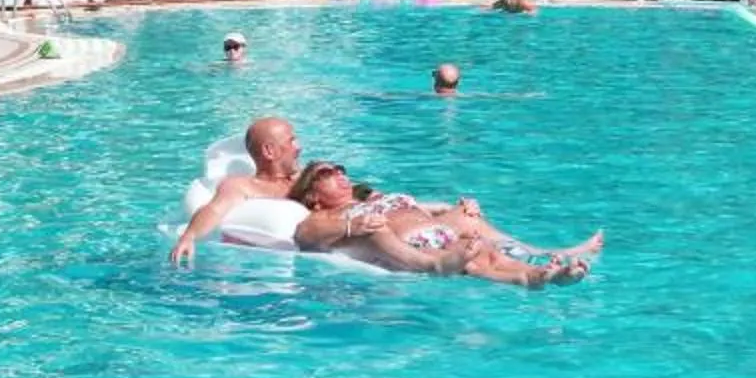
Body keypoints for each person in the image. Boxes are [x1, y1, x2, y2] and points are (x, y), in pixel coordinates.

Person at [288, 160, 596, 286]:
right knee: (471, 259)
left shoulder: (370, 198)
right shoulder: (324, 216)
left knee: (480, 247)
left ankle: (539, 269)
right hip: (412, 248)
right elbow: (305, 236)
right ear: (313, 195)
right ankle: (433, 266)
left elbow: (419, 207)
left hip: (438, 233)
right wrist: (350, 227)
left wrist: (456, 208)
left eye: (340, 170)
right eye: (326, 175)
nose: (339, 175)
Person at [168, 116, 299, 266]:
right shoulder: (243, 186)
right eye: (291, 141)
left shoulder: (306, 179)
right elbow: (214, 209)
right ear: (269, 151)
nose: (298, 147)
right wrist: (189, 237)